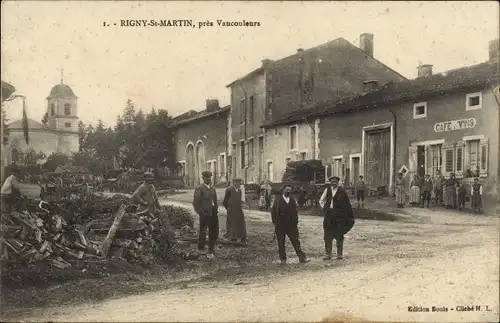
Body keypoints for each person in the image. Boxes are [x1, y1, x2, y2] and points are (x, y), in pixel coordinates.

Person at [271, 184, 308, 265]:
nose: (288, 191)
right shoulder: (277, 200)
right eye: (287, 189)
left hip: (291, 225)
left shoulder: (292, 200)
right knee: (281, 243)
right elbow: (273, 212)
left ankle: (302, 258)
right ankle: (283, 259)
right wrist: (275, 223)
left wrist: (295, 222)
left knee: (296, 242)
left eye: (289, 190)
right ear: (283, 190)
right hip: (280, 225)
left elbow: (295, 212)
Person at [319, 176, 354, 260]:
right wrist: (325, 208)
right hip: (329, 215)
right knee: (327, 234)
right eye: (332, 181)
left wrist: (346, 214)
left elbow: (346, 204)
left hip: (339, 216)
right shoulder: (327, 190)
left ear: (338, 183)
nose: (334, 183)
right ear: (330, 182)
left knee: (339, 234)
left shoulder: (342, 191)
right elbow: (321, 200)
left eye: (335, 182)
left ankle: (339, 254)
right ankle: (328, 254)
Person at [193, 171, 219, 259]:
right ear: (203, 178)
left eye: (209, 178)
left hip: (213, 212)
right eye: (206, 178)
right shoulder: (199, 188)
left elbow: (215, 200)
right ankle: (201, 246)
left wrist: (216, 209)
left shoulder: (212, 188)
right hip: (204, 212)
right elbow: (196, 202)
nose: (208, 179)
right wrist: (200, 211)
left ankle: (211, 248)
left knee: (213, 231)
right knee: (203, 230)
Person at [223, 178, 247, 244]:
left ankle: (240, 236)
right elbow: (225, 200)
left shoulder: (239, 190)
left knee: (240, 222)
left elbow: (240, 200)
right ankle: (231, 236)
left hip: (238, 209)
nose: (239, 184)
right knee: (231, 222)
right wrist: (228, 208)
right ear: (234, 183)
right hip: (231, 209)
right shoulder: (229, 190)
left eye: (239, 182)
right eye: (237, 182)